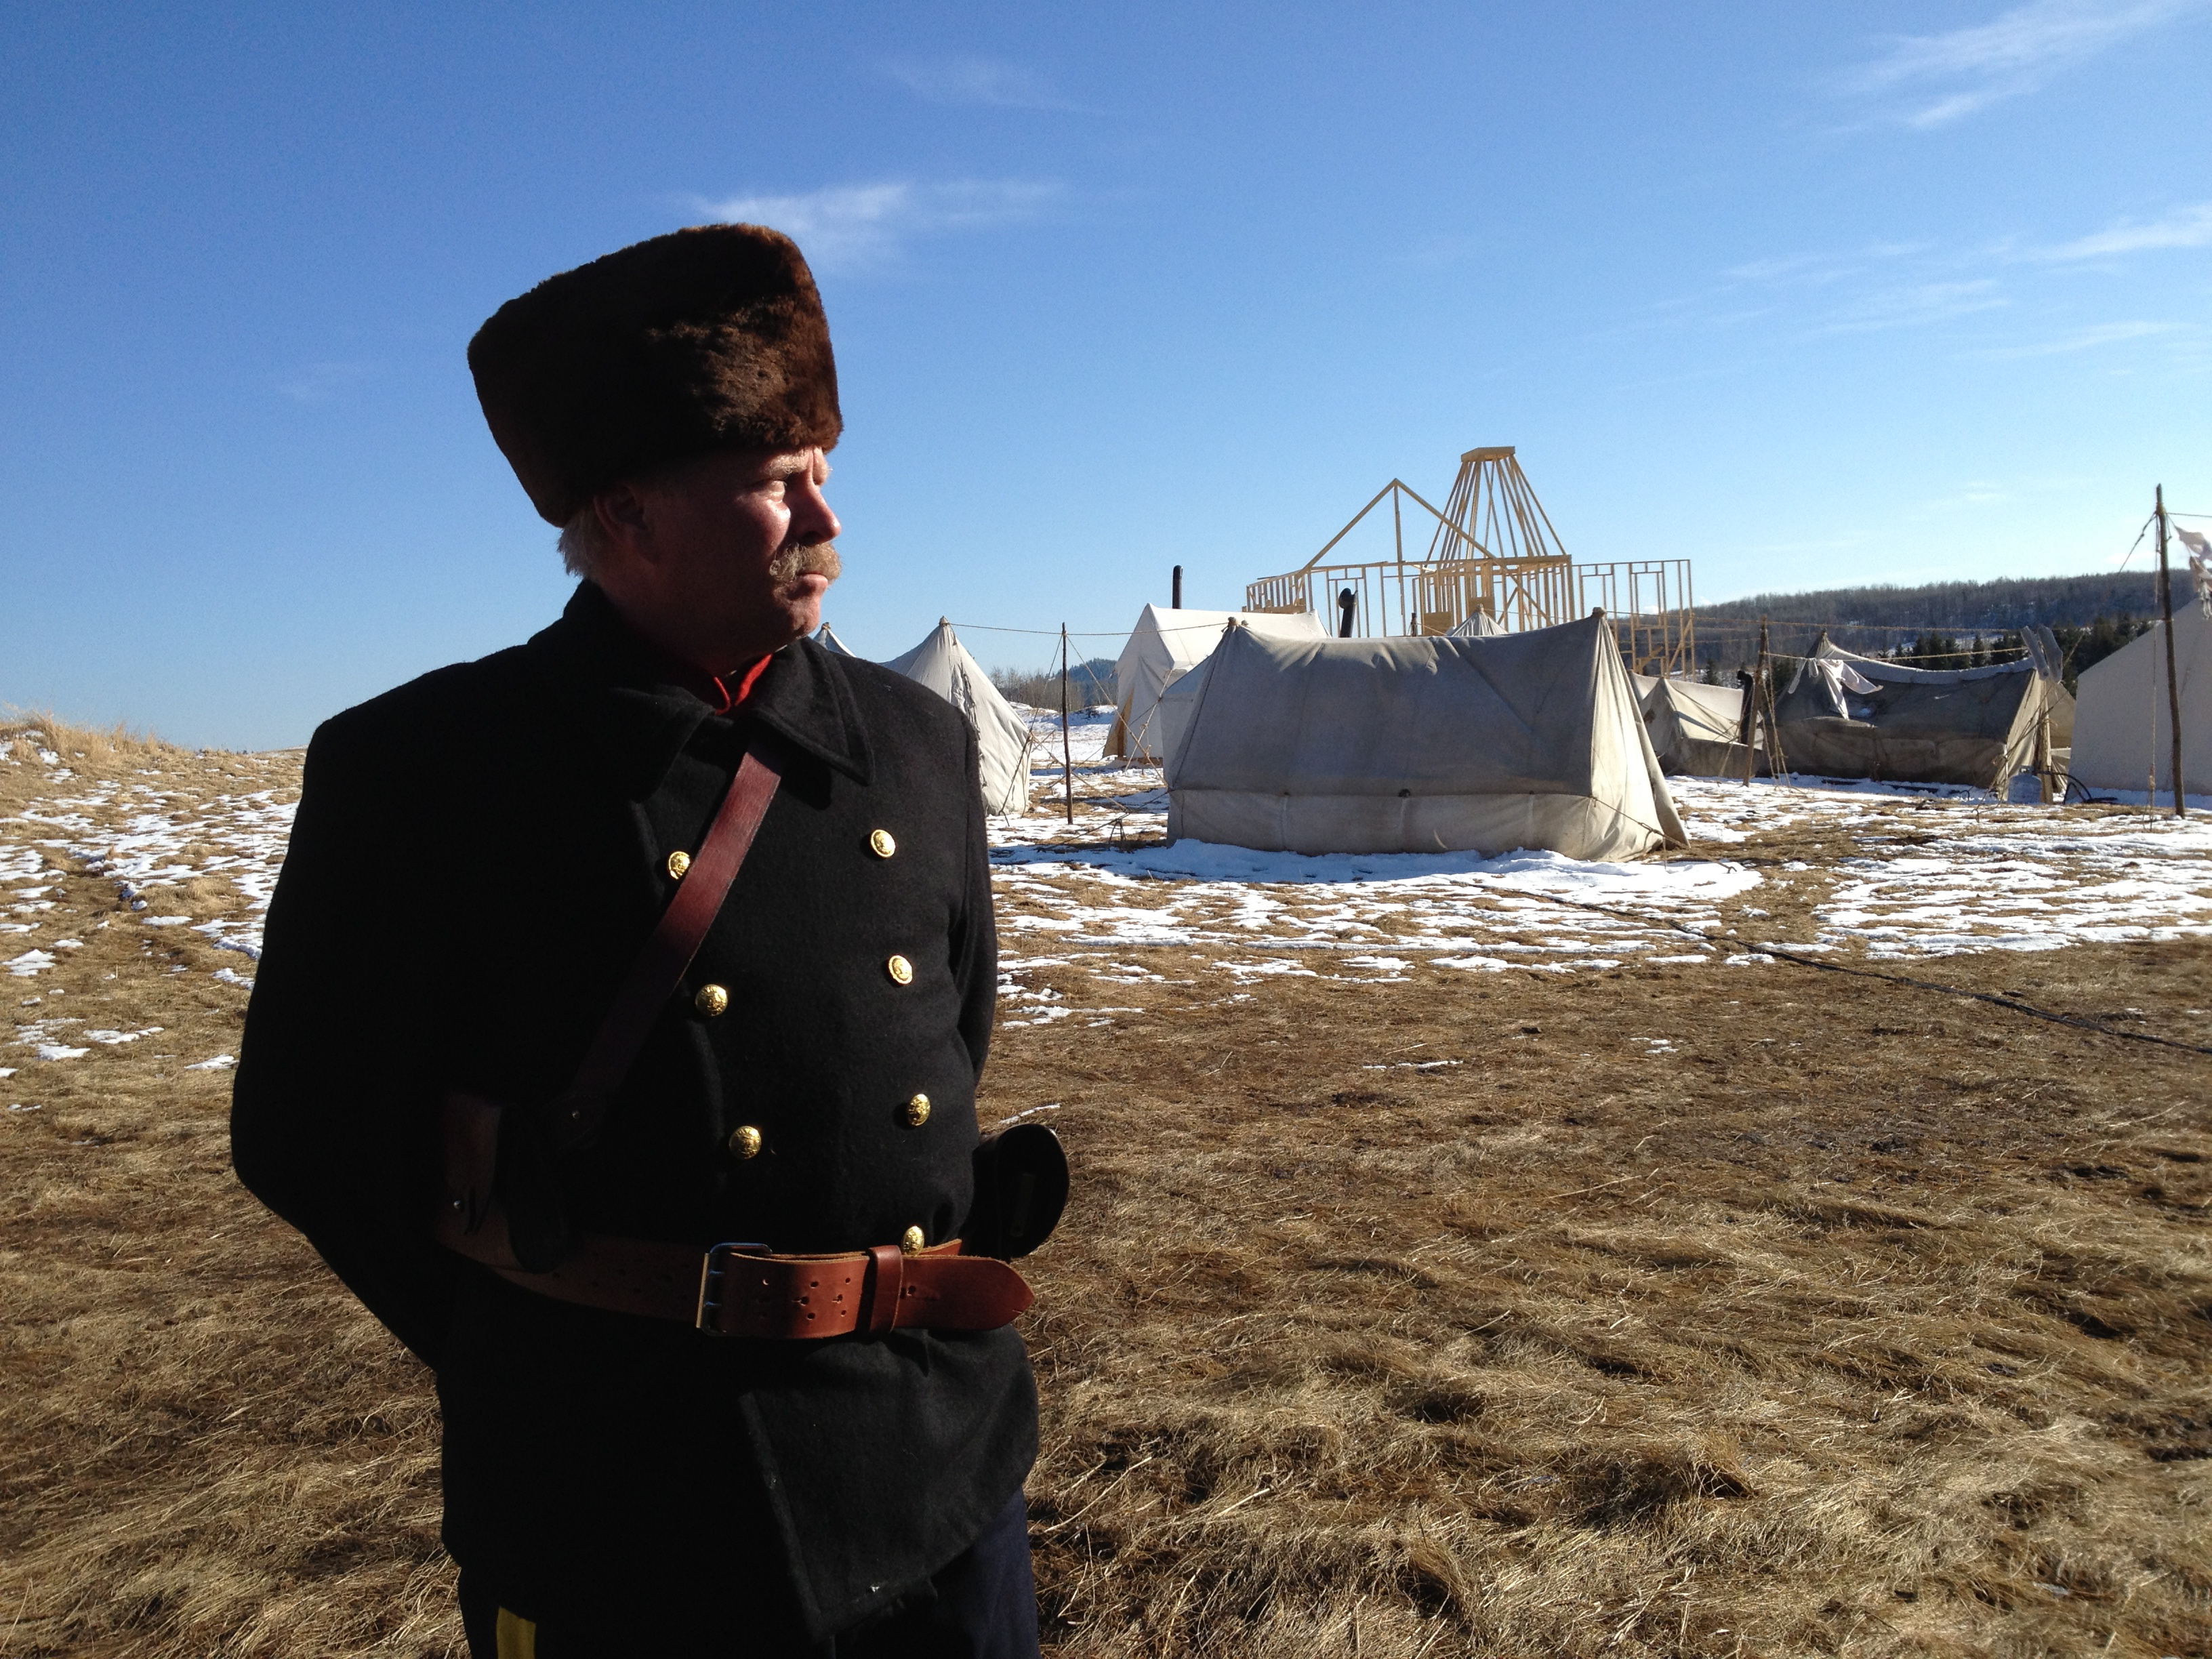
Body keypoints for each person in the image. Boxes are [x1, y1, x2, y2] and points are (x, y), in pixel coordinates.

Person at [231, 224, 1043, 1657]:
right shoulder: (428, 770)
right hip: (622, 1498)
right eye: (778, 486)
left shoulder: (915, 745)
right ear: (625, 518)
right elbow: (310, 1139)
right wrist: (545, 1339)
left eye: (825, 477)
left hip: (935, 1470)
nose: (826, 525)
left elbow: (950, 1045)